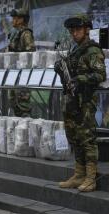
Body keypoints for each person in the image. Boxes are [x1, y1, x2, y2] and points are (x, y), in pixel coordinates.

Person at [55, 14, 106, 192]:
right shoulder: (74, 50)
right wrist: (61, 70)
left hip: (84, 102)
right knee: (74, 138)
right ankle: (79, 174)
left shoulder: (92, 50)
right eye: (72, 31)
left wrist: (80, 78)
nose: (74, 33)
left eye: (78, 30)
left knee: (87, 139)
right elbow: (68, 77)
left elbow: (100, 75)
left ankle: (91, 177)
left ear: (86, 30)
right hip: (71, 101)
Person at [8, 8, 35, 117]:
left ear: (21, 19)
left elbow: (31, 54)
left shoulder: (26, 34)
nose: (13, 20)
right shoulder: (15, 33)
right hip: (14, 74)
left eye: (15, 18)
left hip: (22, 75)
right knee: (14, 103)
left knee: (23, 106)